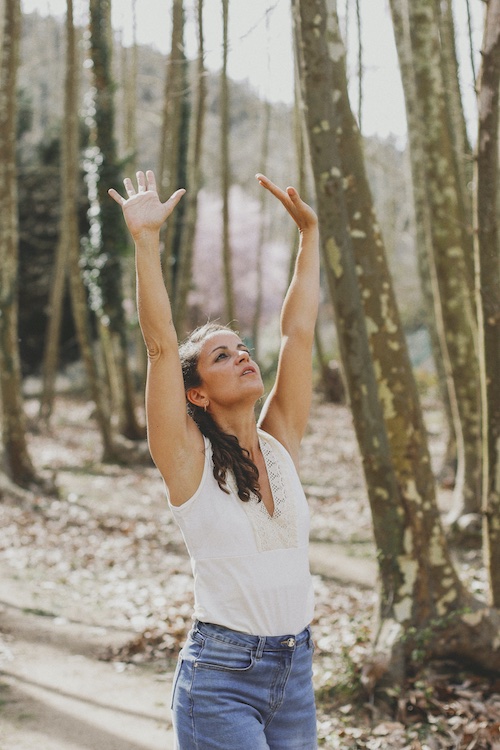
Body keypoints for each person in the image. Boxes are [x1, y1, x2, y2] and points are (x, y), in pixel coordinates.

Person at [109, 169, 320, 750]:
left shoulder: (279, 442)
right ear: (196, 394)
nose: (243, 356)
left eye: (242, 348)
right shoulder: (186, 459)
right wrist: (146, 241)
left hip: (296, 672)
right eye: (222, 356)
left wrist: (310, 236)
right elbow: (160, 347)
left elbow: (298, 333)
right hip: (220, 681)